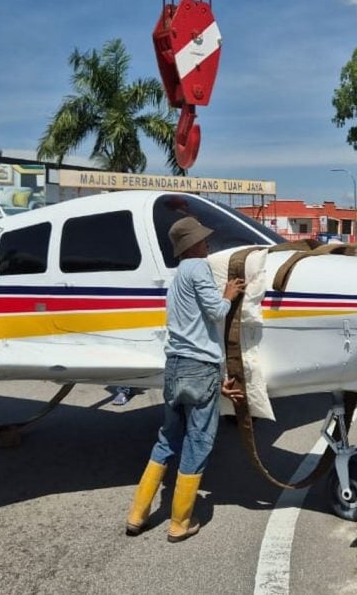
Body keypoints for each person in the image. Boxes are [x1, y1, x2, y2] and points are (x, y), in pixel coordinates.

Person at [125, 216, 245, 542]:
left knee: (167, 440)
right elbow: (216, 313)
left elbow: (191, 325)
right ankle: (179, 522)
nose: (208, 244)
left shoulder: (177, 278)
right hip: (198, 367)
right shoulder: (199, 268)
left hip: (176, 366)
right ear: (193, 245)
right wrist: (229, 293)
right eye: (204, 240)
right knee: (199, 442)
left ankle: (137, 514)